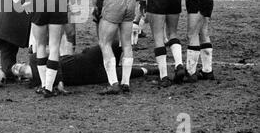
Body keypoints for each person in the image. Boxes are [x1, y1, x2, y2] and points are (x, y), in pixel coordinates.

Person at [8, 0, 88, 98]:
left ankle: (44, 84)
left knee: (40, 45)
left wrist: (18, 0)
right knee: (54, 46)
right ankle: (50, 87)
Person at [12, 44, 159, 87]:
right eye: (16, 71)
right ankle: (152, 70)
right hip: (88, 78)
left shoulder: (34, 58)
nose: (17, 67)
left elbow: (53, 53)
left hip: (85, 60)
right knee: (127, 74)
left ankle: (135, 35)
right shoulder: (35, 83)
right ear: (21, 77)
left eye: (16, 65)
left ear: (22, 62)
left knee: (112, 43)